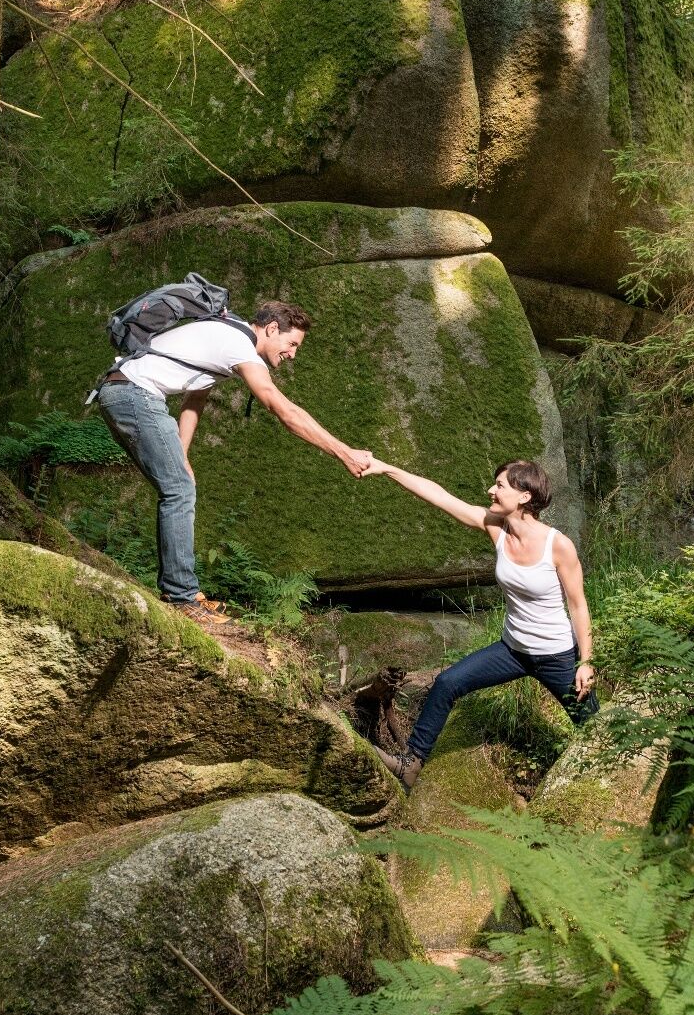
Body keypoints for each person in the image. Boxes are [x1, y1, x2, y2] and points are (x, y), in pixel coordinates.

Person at [98, 299, 371, 624]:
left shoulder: (228, 334)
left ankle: (179, 591)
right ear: (272, 329)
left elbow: (195, 397)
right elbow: (283, 410)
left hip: (124, 391)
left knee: (179, 487)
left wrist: (182, 454)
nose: (293, 354)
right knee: (179, 491)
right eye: (292, 344)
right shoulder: (238, 345)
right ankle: (181, 597)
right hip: (134, 395)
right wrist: (344, 452)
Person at [361, 456, 598, 787]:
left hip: (556, 656)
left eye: (499, 485)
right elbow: (440, 497)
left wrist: (585, 662)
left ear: (525, 495)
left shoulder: (558, 546)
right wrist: (388, 469)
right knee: (447, 683)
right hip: (512, 651)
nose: (490, 490)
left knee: (594, 729)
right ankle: (411, 764)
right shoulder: (495, 527)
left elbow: (578, 606)